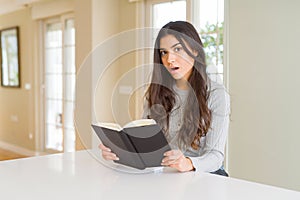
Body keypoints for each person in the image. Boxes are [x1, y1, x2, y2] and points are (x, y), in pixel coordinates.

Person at [99, 21, 230, 176]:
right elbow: (144, 141)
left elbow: (215, 156)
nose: (170, 59)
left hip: (205, 177)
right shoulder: (157, 90)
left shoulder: (216, 94)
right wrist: (120, 152)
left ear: (195, 50)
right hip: (168, 176)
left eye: (177, 49)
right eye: (164, 52)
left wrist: (187, 163)